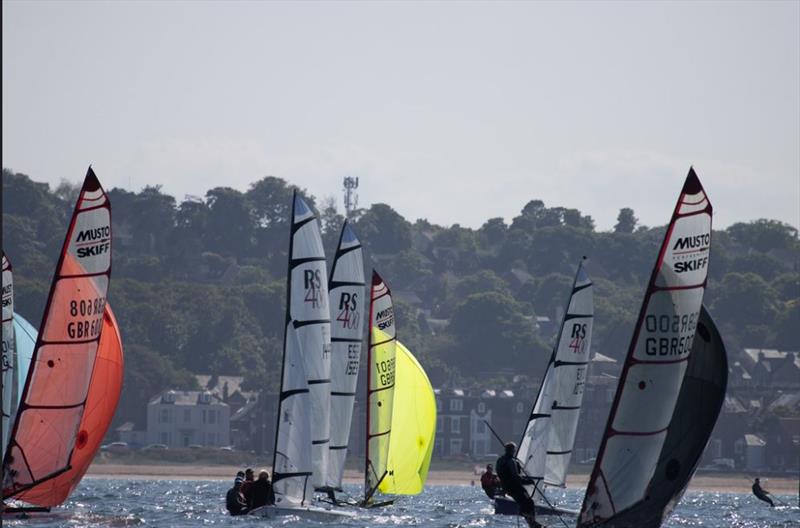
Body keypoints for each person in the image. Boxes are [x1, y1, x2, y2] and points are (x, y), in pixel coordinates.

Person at [496, 442, 541, 528]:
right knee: (530, 503)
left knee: (524, 504)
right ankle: (533, 524)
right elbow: (516, 478)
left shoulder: (499, 460)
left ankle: (531, 523)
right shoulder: (511, 461)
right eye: (514, 450)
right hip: (515, 487)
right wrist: (529, 481)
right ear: (512, 450)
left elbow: (502, 474)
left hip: (507, 488)